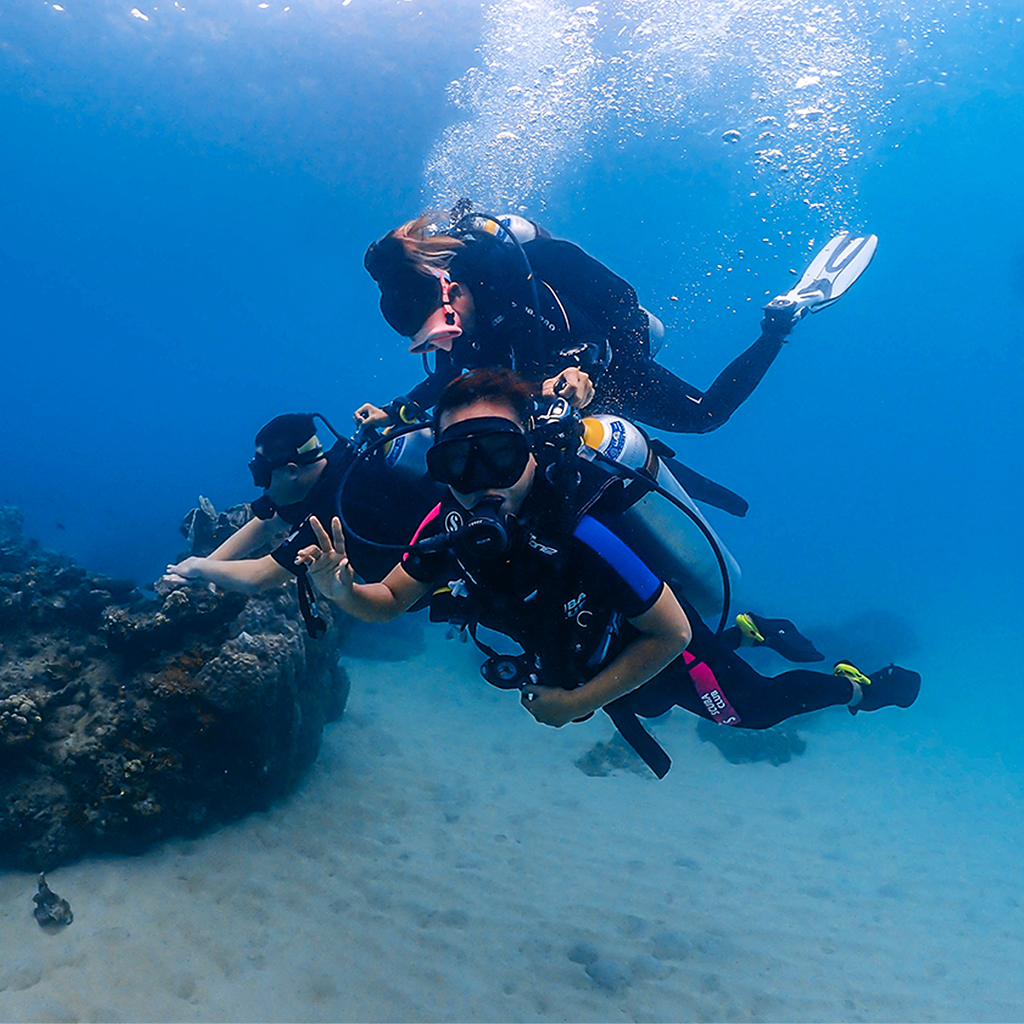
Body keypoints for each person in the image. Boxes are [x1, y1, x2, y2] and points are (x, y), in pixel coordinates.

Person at [298, 369, 920, 777]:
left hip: (653, 644)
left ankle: (858, 687)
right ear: (438, 467)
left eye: (502, 453)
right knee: (649, 704)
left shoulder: (582, 524)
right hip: (600, 657)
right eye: (459, 460)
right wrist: (339, 587)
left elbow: (671, 635)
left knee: (749, 711)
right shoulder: (449, 524)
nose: (483, 479)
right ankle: (747, 630)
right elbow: (384, 601)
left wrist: (577, 703)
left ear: (533, 451)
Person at [356, 207, 877, 437]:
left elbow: (604, 321)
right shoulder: (463, 327)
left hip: (611, 352)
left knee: (704, 417)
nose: (450, 343)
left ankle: (781, 321)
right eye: (433, 343)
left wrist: (586, 369)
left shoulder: (522, 281)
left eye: (446, 326)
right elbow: (454, 376)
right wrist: (395, 412)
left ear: (451, 286)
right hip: (547, 385)